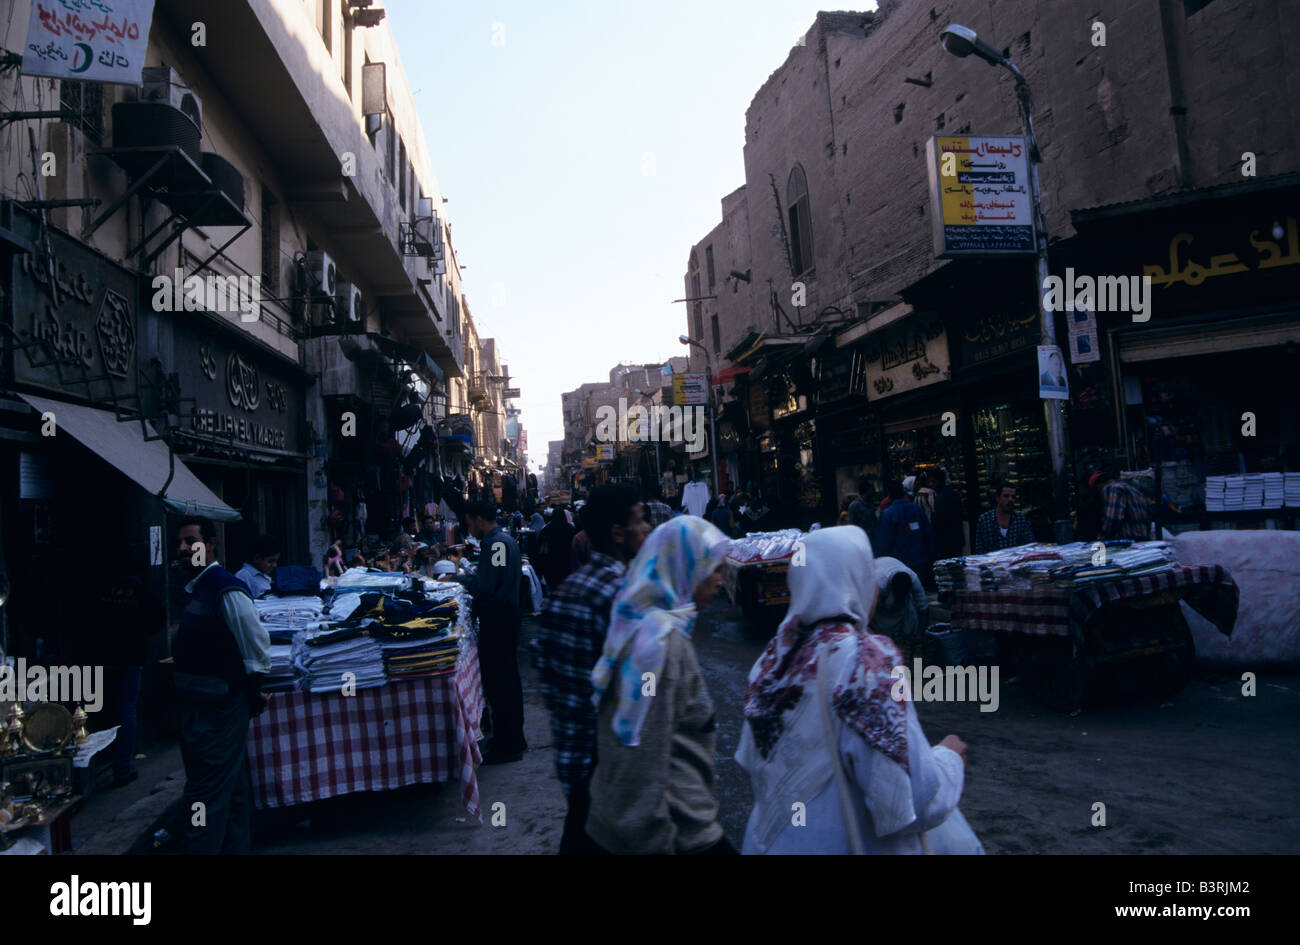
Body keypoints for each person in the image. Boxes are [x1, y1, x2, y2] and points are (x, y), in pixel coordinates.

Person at [737, 526, 970, 854]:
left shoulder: (770, 661)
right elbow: (913, 800)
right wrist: (949, 759)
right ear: (855, 580)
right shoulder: (866, 660)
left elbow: (751, 763)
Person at [585, 517, 734, 854]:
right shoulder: (657, 646)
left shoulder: (645, 622)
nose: (720, 582)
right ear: (686, 567)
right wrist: (652, 841)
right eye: (712, 569)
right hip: (680, 832)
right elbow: (640, 749)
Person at [536, 484, 651, 855]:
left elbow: (549, 682)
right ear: (618, 533)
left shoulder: (565, 592)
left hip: (574, 765)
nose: (647, 529)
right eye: (640, 520)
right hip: (614, 773)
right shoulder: (624, 597)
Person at [172, 517, 272, 854]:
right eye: (181, 543)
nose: (184, 549)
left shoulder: (225, 588)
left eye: (191, 541)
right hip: (200, 710)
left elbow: (256, 644)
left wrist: (252, 689)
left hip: (219, 711)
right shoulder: (199, 588)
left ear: (211, 544)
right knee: (232, 790)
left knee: (206, 796)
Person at [83, 547, 164, 787]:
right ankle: (123, 767)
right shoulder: (140, 590)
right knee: (126, 713)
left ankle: (88, 772)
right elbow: (156, 620)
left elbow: (86, 618)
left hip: (100, 657)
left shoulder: (98, 586)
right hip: (130, 658)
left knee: (94, 712)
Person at [455, 499, 527, 764]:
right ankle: (512, 738)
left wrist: (461, 581)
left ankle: (508, 744)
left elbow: (487, 586)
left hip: (498, 619)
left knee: (500, 683)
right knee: (508, 680)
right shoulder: (503, 541)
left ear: (478, 519)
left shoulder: (495, 544)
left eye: (469, 523)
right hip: (506, 617)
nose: (469, 529)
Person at [873, 480, 936, 584]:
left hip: (899, 567)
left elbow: (882, 543)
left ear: (889, 495)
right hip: (920, 564)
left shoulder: (888, 514)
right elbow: (928, 536)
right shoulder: (917, 509)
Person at [870, 556, 929, 647]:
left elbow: (924, 609)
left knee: (916, 648)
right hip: (879, 614)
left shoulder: (914, 580)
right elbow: (866, 612)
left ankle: (914, 659)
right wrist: (880, 633)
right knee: (880, 644)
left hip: (902, 616)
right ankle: (893, 657)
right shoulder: (878, 583)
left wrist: (919, 634)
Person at [973, 481, 1034, 554]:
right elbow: (979, 551)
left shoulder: (1021, 520)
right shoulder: (985, 520)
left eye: (1013, 497)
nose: (1010, 500)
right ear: (997, 498)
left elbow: (1030, 547)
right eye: (1006, 496)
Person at [1096, 470, 1152, 541]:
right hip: (1142, 540)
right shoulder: (1133, 490)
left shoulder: (1112, 488)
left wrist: (1102, 537)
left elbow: (1113, 518)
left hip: (1127, 541)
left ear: (1099, 486)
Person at [538, 504, 577, 592]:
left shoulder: (546, 529)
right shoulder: (570, 529)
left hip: (550, 563)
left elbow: (540, 547)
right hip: (566, 562)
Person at [928, 468, 965, 559]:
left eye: (933, 482)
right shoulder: (953, 494)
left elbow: (939, 523)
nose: (931, 485)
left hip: (946, 542)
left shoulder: (941, 498)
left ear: (940, 481)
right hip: (956, 540)